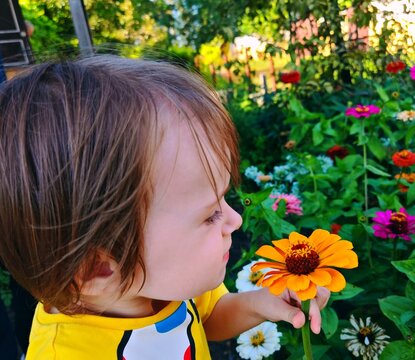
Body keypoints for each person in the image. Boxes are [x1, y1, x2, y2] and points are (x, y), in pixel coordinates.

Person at [0, 56, 330, 359]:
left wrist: (262, 303)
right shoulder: (65, 353)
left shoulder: (165, 279)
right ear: (98, 267)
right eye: (210, 215)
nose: (235, 219)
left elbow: (211, 317)